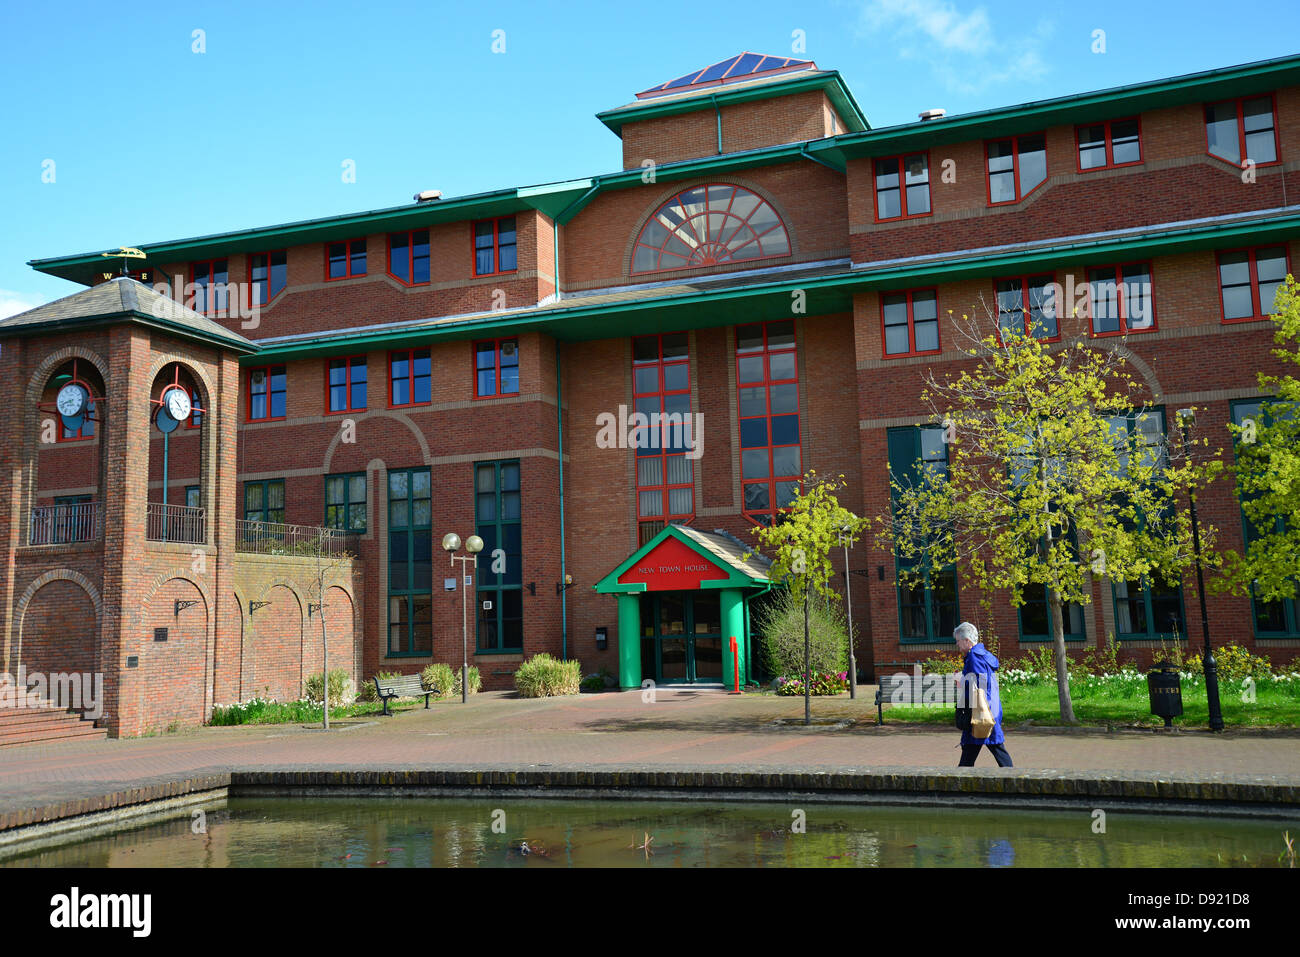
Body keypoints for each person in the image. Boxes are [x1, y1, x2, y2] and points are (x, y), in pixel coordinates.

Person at [953, 622, 1013, 767]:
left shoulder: (974, 656)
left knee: (992, 747)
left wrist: (961, 682)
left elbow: (980, 684)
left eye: (958, 641)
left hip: (981, 712)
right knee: (989, 746)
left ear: (967, 640)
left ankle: (1014, 778)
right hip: (989, 708)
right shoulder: (983, 655)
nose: (957, 645)